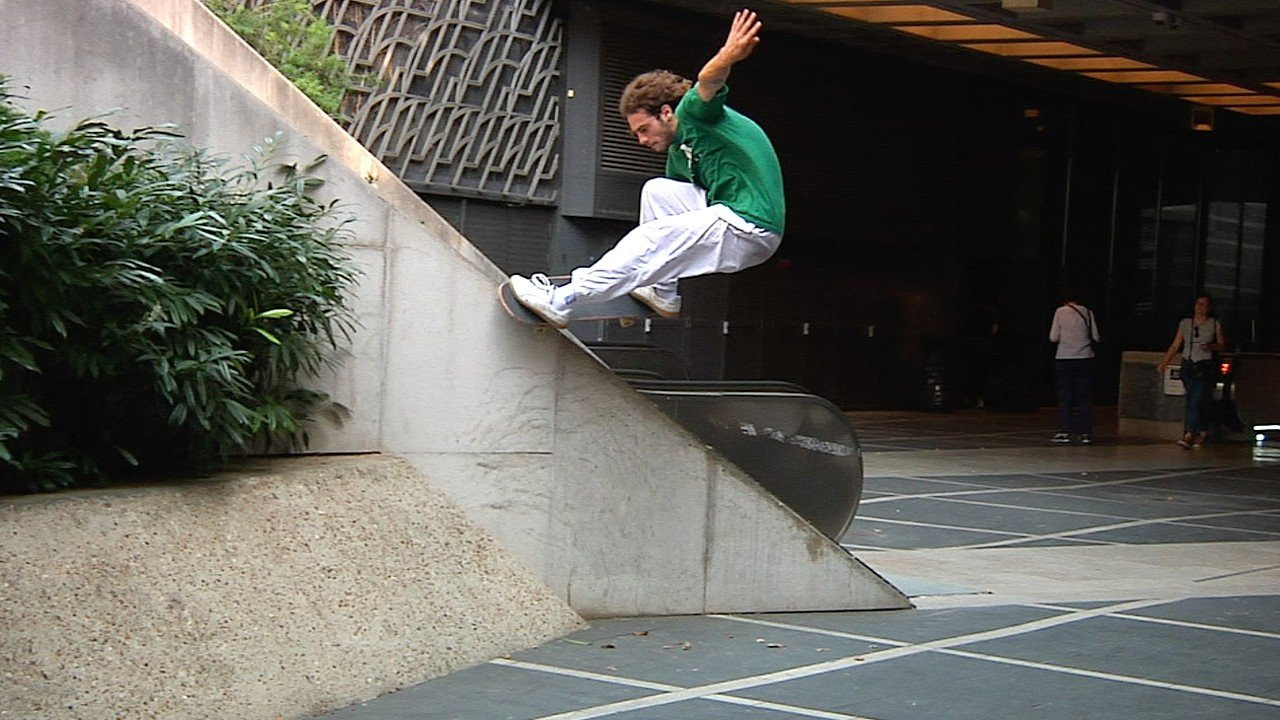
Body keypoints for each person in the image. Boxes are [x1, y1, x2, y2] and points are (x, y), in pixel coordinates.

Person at [508, 9, 784, 328]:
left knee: (652, 238)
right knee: (658, 192)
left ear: (666, 112)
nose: (640, 140)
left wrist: (727, 55)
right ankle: (661, 291)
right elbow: (677, 227)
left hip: (750, 226)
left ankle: (562, 299)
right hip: (728, 215)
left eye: (643, 129)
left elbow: (709, 81)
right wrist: (640, 270)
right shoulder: (679, 159)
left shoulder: (694, 115)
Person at [1156, 295, 1226, 448]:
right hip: (1188, 364)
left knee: (1197, 400)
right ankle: (1202, 430)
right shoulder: (1185, 323)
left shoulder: (1214, 324)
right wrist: (1165, 363)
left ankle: (1189, 433)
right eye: (1198, 304)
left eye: (1203, 304)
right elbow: (1176, 345)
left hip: (1204, 366)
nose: (1200, 307)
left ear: (1209, 308)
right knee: (1191, 400)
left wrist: (1211, 346)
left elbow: (1222, 345)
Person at [1048, 290, 1100, 444]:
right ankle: (1085, 433)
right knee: (1084, 396)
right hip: (1085, 358)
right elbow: (1096, 336)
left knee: (1065, 395)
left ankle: (1065, 431)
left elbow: (1053, 337)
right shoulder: (1088, 313)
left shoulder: (1060, 312)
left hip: (1064, 358)